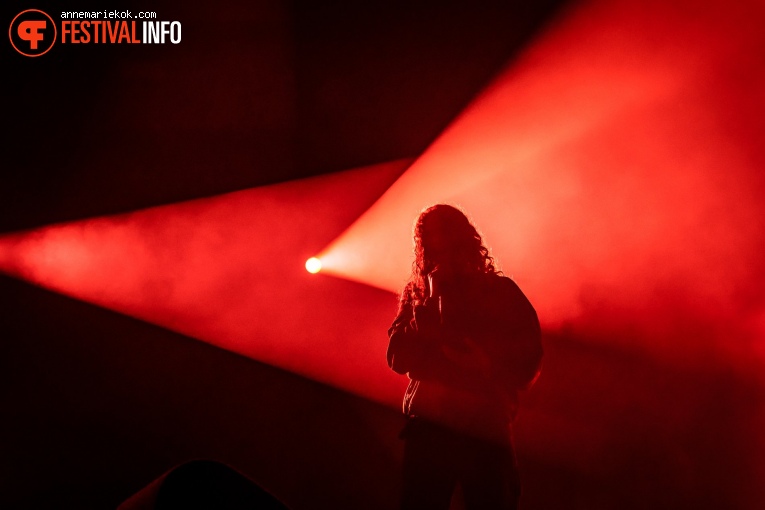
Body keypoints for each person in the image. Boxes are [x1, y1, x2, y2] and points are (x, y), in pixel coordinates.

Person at [387, 204, 542, 510]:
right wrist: (424, 314)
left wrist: (486, 366)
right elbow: (397, 359)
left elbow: (529, 357)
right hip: (430, 427)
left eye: (443, 236)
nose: (437, 246)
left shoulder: (500, 292)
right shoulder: (417, 295)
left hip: (483, 426)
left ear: (462, 240)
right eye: (428, 238)